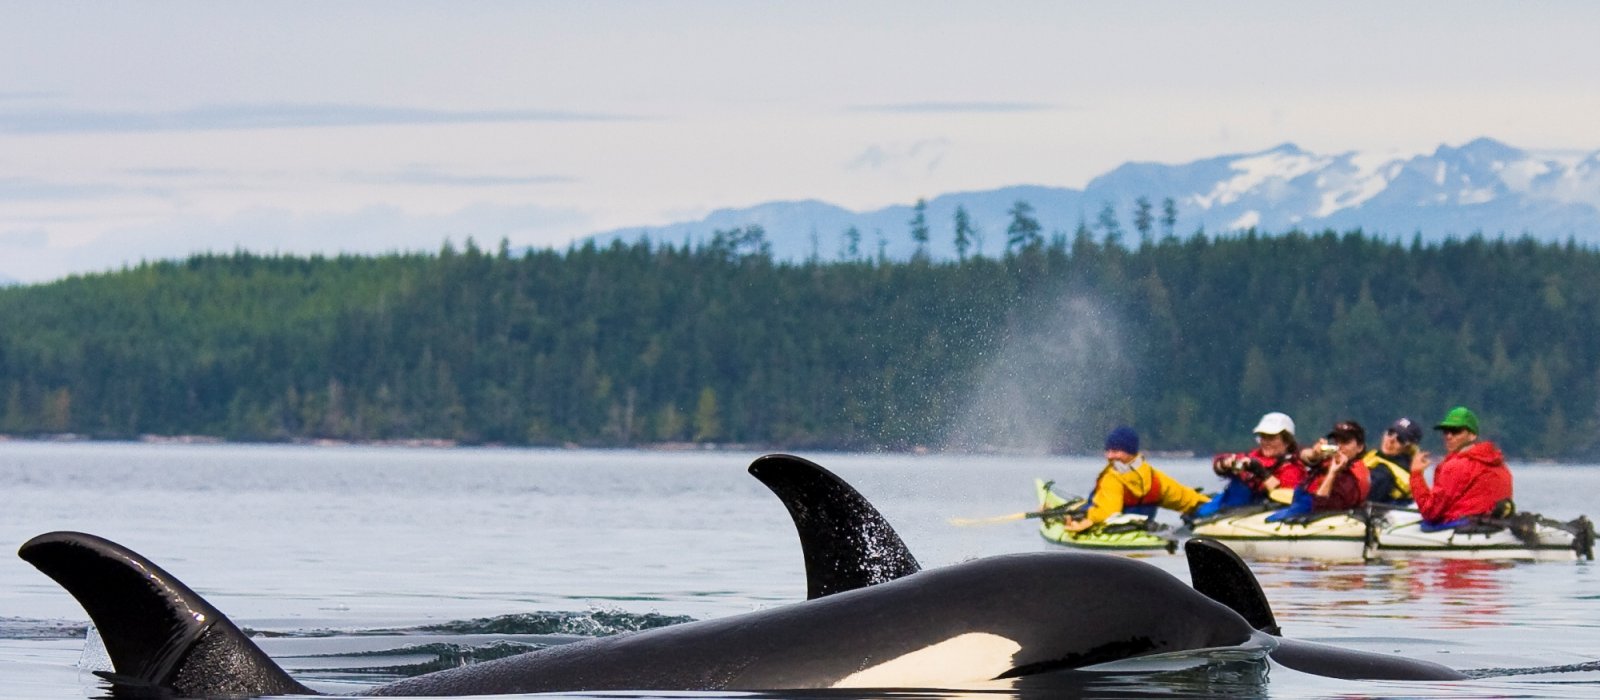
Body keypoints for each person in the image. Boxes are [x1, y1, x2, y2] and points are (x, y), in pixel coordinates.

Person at [1060, 426, 1211, 533]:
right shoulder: (1153, 476)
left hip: (1114, 529)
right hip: (1144, 528)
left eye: (1115, 451)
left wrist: (1084, 516)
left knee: (1075, 511)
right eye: (1108, 450)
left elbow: (1107, 512)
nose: (1109, 456)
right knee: (1080, 506)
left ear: (1130, 451)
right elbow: (1185, 498)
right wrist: (1206, 505)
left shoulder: (1112, 478)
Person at [1409, 406, 1513, 530]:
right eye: (1445, 431)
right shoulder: (1500, 464)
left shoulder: (1455, 466)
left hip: (1465, 528)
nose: (1448, 436)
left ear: (1472, 435)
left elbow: (1430, 513)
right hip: (1493, 526)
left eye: (1456, 431)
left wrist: (1416, 474)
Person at [1192, 412, 1308, 518]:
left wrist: (1261, 472)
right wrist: (1224, 464)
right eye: (1263, 437)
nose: (1266, 442)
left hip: (1262, 513)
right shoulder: (1252, 456)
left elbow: (1284, 496)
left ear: (1287, 442)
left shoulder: (1293, 468)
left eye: (1271, 438)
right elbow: (1219, 463)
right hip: (1230, 507)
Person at [1266, 420, 1370, 521]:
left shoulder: (1350, 479)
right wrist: (1315, 454)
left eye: (1345, 442)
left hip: (1312, 514)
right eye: (1336, 442)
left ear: (1359, 447)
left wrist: (1332, 473)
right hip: (1301, 504)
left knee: (1270, 521)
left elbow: (1320, 506)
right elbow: (1300, 455)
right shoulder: (1331, 460)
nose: (1339, 447)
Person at [1365, 417, 1420, 506]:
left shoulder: (1385, 473)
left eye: (1400, 439)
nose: (1391, 440)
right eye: (1390, 433)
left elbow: (1359, 498)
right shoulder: (1377, 457)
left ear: (1408, 448)